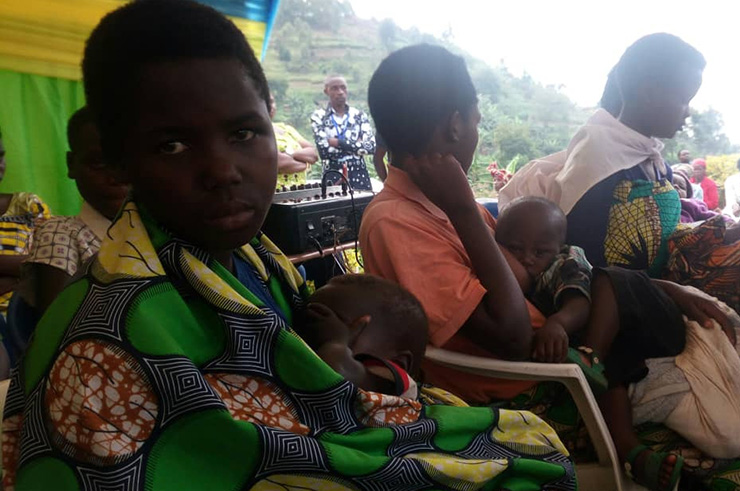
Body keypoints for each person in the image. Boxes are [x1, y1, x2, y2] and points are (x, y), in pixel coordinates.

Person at [0, 3, 580, 490]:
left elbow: (310, 385)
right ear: (122, 156)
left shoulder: (257, 258)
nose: (223, 170)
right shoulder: (98, 347)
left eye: (244, 133)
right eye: (172, 145)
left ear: (271, 123)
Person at [360, 42, 740, 491]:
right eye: (476, 121)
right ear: (455, 125)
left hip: (557, 346)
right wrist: (462, 208)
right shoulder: (399, 219)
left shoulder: (434, 203)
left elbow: (529, 271)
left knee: (733, 350)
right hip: (534, 386)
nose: (476, 132)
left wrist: (663, 291)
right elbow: (514, 338)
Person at [498, 33, 740, 488]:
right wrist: (673, 292)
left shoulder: (648, 156)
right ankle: (627, 441)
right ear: (650, 92)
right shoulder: (600, 162)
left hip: (650, 290)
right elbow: (587, 268)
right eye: (683, 98)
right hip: (607, 305)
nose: (687, 111)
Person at [4, 107, 128, 364]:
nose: (116, 176)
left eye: (128, 162)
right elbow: (58, 337)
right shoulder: (62, 234)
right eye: (98, 163)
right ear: (72, 165)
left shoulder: (163, 233)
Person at [295, 273, 427, 397]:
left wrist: (335, 342)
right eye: (311, 320)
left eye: (336, 324)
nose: (317, 330)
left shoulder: (392, 384)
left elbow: (338, 380)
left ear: (397, 363)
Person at [0, 128, 51, 313]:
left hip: (22, 321)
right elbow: (34, 266)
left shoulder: (28, 206)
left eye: (1, 156)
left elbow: (49, 265)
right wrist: (20, 271)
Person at [310, 75, 376, 190]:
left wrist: (338, 143)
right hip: (333, 176)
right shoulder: (319, 117)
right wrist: (356, 145)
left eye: (343, 87)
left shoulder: (359, 115)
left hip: (359, 176)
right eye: (334, 88)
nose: (340, 92)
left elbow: (371, 147)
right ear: (326, 91)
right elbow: (324, 151)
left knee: (363, 207)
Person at [269, 94, 318, 187]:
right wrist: (304, 162)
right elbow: (279, 164)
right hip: (276, 196)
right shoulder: (257, 133)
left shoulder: (286, 129)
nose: (270, 105)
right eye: (265, 102)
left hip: (299, 194)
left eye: (272, 101)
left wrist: (288, 154)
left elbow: (313, 154)